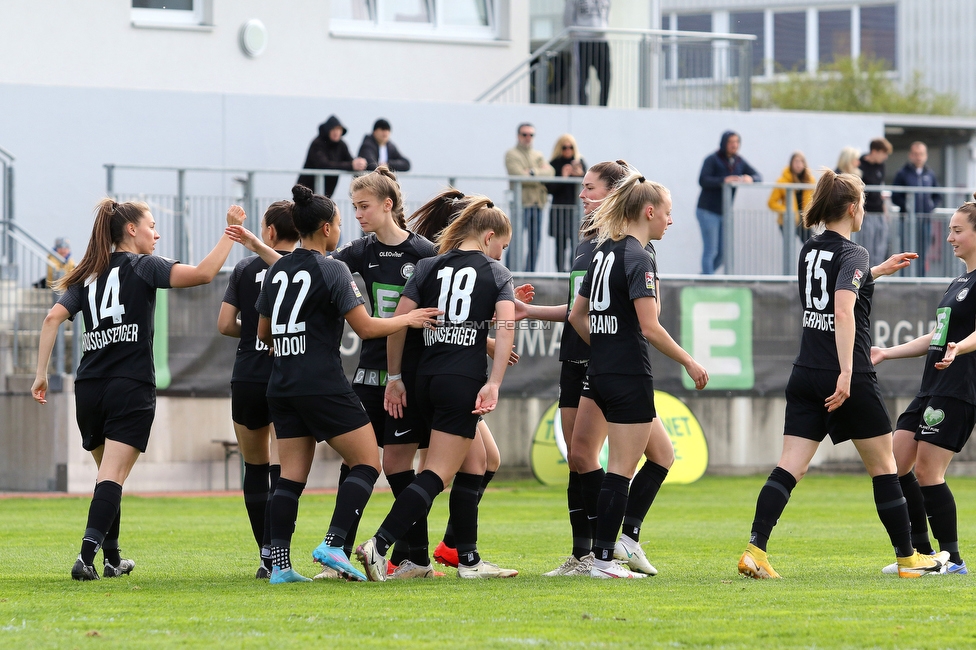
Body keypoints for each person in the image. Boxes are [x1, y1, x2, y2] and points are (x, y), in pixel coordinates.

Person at [736, 169, 944, 580]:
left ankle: (754, 550)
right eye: (863, 204)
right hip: (845, 375)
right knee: (884, 467)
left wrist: (877, 272)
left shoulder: (810, 249)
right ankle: (908, 558)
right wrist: (848, 372)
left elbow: (833, 288)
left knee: (789, 467)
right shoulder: (855, 253)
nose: (864, 210)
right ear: (852, 208)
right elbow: (843, 308)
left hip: (805, 371)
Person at [32, 198, 248, 581]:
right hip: (129, 385)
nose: (156, 233)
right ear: (131, 229)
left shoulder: (89, 275)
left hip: (89, 387)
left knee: (107, 479)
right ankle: (85, 558)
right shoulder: (144, 266)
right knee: (112, 476)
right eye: (151, 225)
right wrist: (230, 231)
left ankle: (113, 559)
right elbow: (202, 274)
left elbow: (52, 318)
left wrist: (41, 374)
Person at [243, 184, 439, 584]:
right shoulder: (332, 268)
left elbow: (262, 332)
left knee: (290, 478)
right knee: (367, 461)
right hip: (322, 384)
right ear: (327, 228)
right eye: (339, 220)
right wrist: (407, 319)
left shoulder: (276, 268)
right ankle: (334, 544)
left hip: (281, 385)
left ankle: (279, 566)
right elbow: (366, 328)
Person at [356, 196, 518, 581]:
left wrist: (394, 379)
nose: (502, 253)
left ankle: (468, 560)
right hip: (460, 381)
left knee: (473, 463)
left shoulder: (428, 265)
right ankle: (379, 545)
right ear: (489, 236)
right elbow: (507, 330)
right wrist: (493, 383)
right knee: (437, 474)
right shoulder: (496, 273)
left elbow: (400, 322)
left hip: (421, 380)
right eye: (503, 245)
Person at [568, 169, 709, 578]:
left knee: (662, 455)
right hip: (629, 374)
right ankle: (604, 561)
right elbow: (650, 327)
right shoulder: (638, 256)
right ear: (648, 211)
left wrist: (605, 347)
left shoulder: (602, 251)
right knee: (620, 471)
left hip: (599, 372)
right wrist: (689, 360)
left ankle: (626, 538)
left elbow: (577, 315)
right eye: (667, 213)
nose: (670, 220)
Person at [330, 166, 438, 579]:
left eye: (364, 206)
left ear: (387, 205)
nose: (357, 214)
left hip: (404, 378)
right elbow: (315, 269)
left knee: (398, 467)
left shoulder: (425, 252)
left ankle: (417, 558)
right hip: (367, 373)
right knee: (354, 462)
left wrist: (489, 339)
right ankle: (337, 553)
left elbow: (443, 314)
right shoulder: (360, 250)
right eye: (354, 207)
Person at [871, 195, 976, 576]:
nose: (950, 237)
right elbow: (937, 335)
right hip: (930, 387)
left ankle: (954, 560)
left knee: (929, 473)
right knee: (895, 465)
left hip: (957, 387)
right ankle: (922, 554)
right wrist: (887, 352)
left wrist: (960, 348)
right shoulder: (958, 282)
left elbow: (965, 337)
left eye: (957, 230)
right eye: (950, 230)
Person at [217, 200, 299, 579]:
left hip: (248, 373)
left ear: (267, 231)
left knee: (255, 466)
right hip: (290, 374)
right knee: (287, 468)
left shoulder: (246, 267)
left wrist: (252, 332)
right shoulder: (305, 269)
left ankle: (265, 554)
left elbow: (224, 324)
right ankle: (280, 551)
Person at [696, 131, 762, 274]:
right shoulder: (712, 159)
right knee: (710, 250)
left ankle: (704, 277)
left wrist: (751, 178)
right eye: (731, 142)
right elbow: (703, 180)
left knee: (723, 253)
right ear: (724, 143)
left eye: (736, 142)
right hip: (707, 211)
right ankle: (708, 284)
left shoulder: (739, 161)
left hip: (724, 212)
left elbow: (758, 176)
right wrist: (724, 180)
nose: (734, 145)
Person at [505, 123, 555, 272]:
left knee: (535, 243)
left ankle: (530, 274)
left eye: (531, 135)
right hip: (522, 204)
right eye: (524, 134)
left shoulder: (537, 154)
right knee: (514, 241)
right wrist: (538, 173)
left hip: (538, 204)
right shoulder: (512, 154)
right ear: (518, 135)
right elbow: (518, 174)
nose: (528, 138)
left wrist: (532, 172)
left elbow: (551, 173)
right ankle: (510, 272)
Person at [893, 141, 942, 273]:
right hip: (907, 220)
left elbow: (937, 195)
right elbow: (895, 196)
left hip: (925, 220)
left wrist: (930, 207)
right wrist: (908, 207)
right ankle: (905, 277)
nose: (918, 157)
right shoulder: (902, 173)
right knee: (906, 250)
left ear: (925, 156)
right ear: (910, 155)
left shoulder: (929, 174)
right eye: (915, 154)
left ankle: (920, 277)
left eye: (920, 154)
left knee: (922, 250)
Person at [297, 115, 367, 198]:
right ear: (328, 130)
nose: (336, 132)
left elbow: (350, 161)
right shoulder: (317, 143)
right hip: (306, 191)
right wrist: (351, 165)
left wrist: (359, 164)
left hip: (326, 193)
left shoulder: (341, 145)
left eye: (339, 129)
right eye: (333, 129)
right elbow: (323, 165)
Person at [547, 134, 586, 271]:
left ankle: (573, 270)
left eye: (570, 147)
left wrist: (579, 174)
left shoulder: (579, 162)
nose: (568, 150)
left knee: (576, 243)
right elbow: (550, 189)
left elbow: (588, 185)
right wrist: (563, 176)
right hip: (559, 209)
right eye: (564, 147)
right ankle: (560, 271)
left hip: (575, 210)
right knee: (560, 244)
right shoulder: (554, 164)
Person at [564, 0, 611, 106]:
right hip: (583, 40)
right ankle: (582, 106)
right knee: (582, 78)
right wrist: (573, 33)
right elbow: (568, 15)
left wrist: (604, 28)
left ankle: (603, 106)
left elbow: (607, 13)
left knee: (606, 77)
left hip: (601, 40)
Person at [859, 138, 893, 266]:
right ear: (874, 151)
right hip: (867, 213)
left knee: (881, 246)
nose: (885, 157)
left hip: (879, 212)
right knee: (867, 245)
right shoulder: (860, 165)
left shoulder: (881, 166)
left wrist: (885, 210)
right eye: (883, 153)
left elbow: (879, 189)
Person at [768, 152, 816, 241]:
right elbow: (771, 202)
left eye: (801, 161)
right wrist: (787, 210)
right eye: (796, 161)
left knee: (812, 245)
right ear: (791, 163)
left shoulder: (809, 180)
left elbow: (815, 198)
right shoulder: (782, 181)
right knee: (789, 247)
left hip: (804, 221)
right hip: (788, 221)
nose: (799, 164)